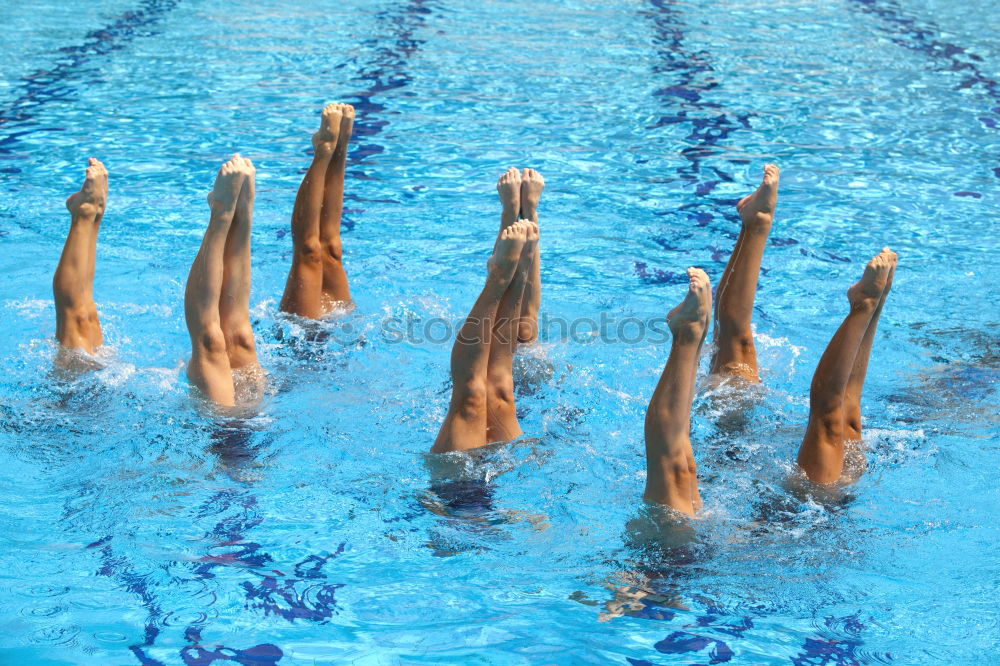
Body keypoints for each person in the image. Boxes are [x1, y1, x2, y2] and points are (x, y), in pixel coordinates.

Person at [431, 198, 539, 453]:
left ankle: (500, 278)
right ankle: (518, 273)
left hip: (454, 487)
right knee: (501, 389)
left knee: (471, 397)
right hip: (504, 474)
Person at [797, 248, 897, 483]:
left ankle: (870, 303)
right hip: (827, 500)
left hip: (826, 498)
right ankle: (870, 304)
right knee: (841, 419)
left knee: (837, 416)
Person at [184, 155, 264, 407]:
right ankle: (241, 213)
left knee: (211, 342)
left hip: (225, 428)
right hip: (248, 425)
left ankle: (222, 212)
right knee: (240, 338)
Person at [280, 103, 355, 319]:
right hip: (337, 323)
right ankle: (339, 146)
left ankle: (323, 150)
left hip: (301, 335)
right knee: (332, 249)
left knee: (309, 252)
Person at [709, 165, 779, 383]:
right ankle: (756, 224)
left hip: (737, 408)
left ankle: (755, 225)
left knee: (731, 343)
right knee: (733, 346)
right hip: (739, 408)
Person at [53, 158, 108, 369]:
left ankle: (89, 213)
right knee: (84, 314)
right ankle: (90, 212)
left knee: (79, 316)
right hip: (89, 388)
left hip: (79, 391)